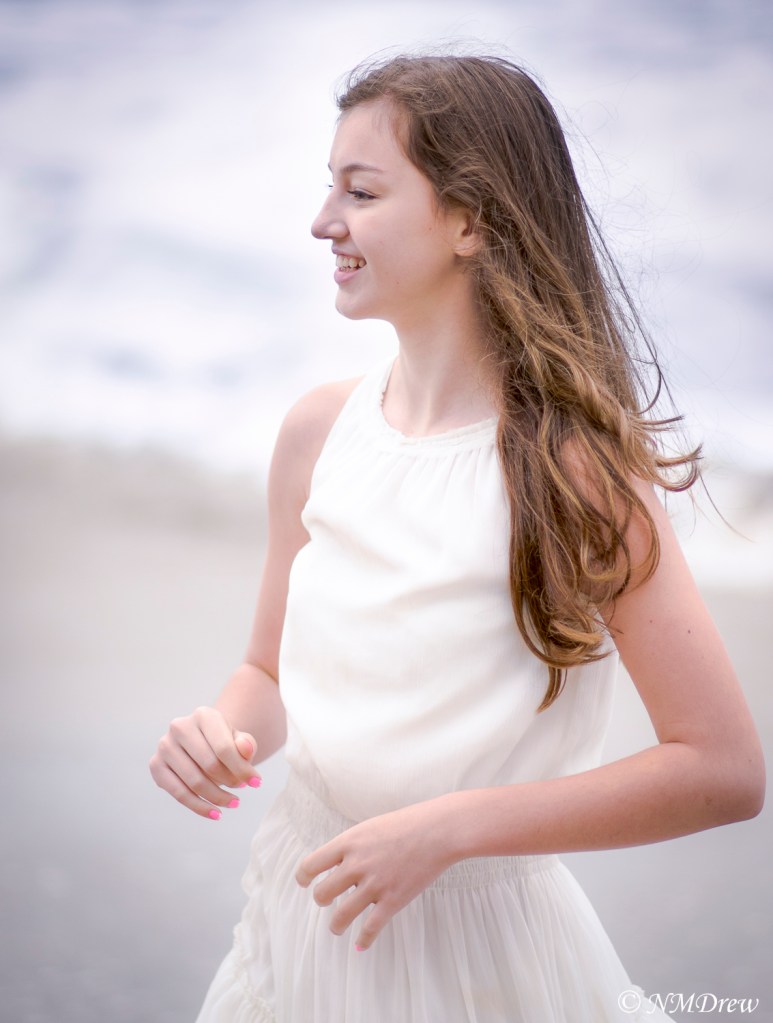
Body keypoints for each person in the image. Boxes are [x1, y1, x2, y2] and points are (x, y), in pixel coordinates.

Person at [149, 53, 765, 1022]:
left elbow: (721, 770)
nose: (323, 222)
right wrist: (220, 733)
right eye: (328, 188)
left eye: (360, 191)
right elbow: (267, 677)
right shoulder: (318, 431)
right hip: (296, 911)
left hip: (474, 958)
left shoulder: (573, 475)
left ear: (472, 222)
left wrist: (448, 831)